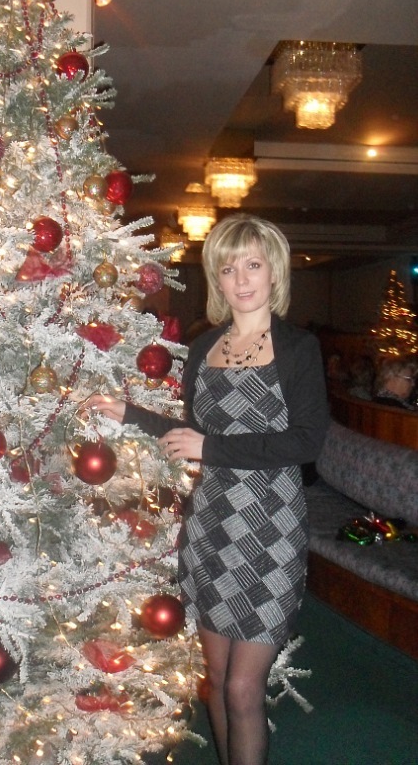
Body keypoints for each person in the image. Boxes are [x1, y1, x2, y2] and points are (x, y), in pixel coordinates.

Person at [86, 214, 329, 765]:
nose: (241, 279)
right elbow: (191, 434)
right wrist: (129, 413)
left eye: (253, 265)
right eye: (228, 268)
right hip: (212, 526)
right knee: (216, 680)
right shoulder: (202, 348)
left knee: (243, 687)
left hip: (271, 529)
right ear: (216, 278)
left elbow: (306, 441)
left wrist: (212, 448)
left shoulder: (297, 347)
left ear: (274, 272)